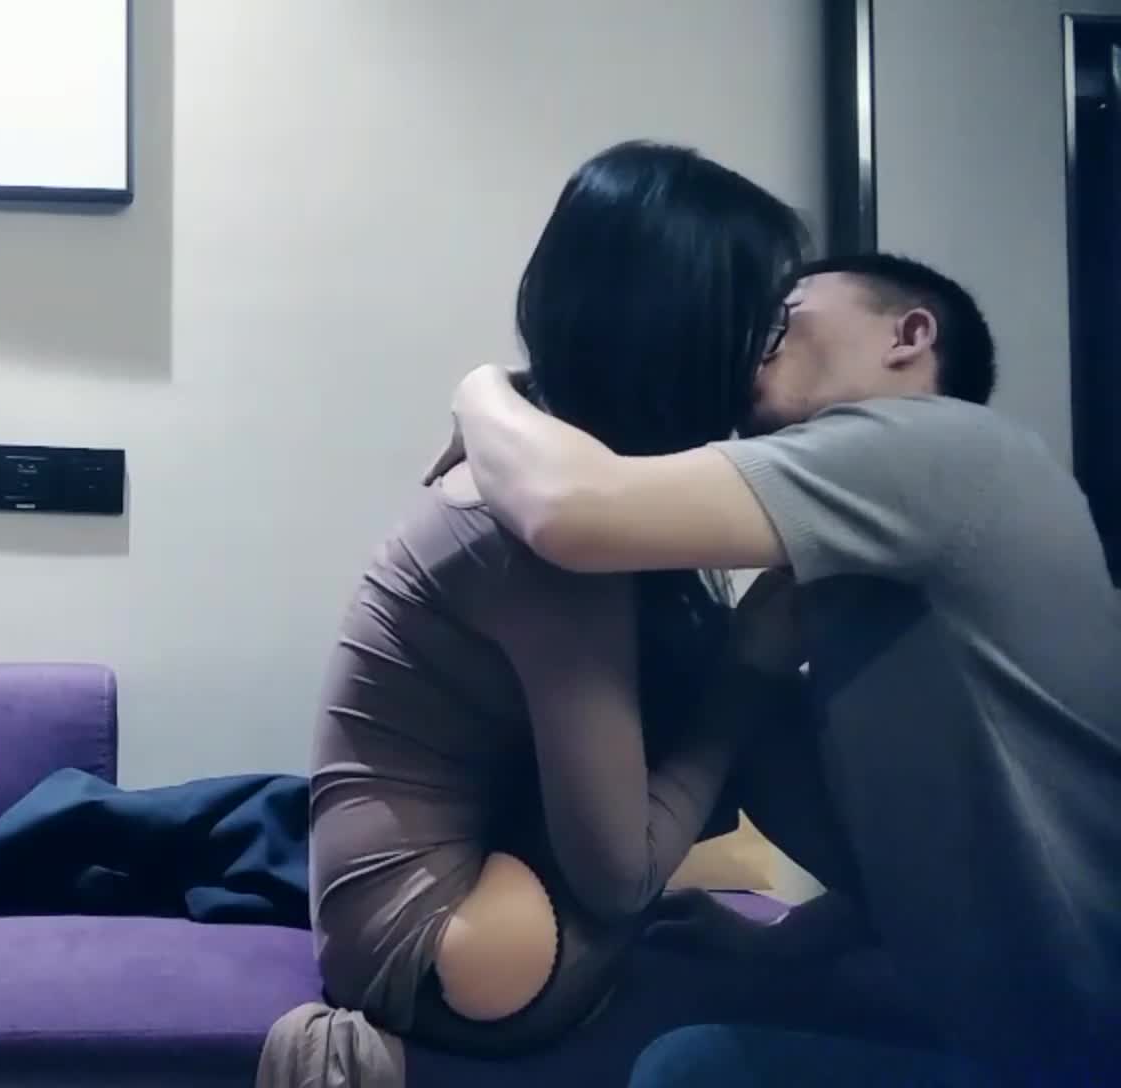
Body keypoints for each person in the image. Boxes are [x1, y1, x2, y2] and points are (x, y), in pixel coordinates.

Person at [443, 253, 1121, 1084]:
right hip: (1006, 1018)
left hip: (1081, 1046)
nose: (757, 343)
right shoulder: (880, 566)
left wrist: (481, 389)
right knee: (741, 693)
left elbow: (569, 510)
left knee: (688, 1070)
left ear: (908, 336)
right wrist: (786, 939)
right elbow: (939, 834)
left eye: (784, 317)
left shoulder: (942, 443)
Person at [299, 139, 808, 1066]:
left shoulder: (547, 466)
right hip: (454, 953)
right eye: (763, 325)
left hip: (411, 905)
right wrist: (751, 668)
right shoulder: (552, 543)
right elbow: (619, 879)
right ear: (688, 334)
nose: (769, 358)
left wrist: (488, 391)